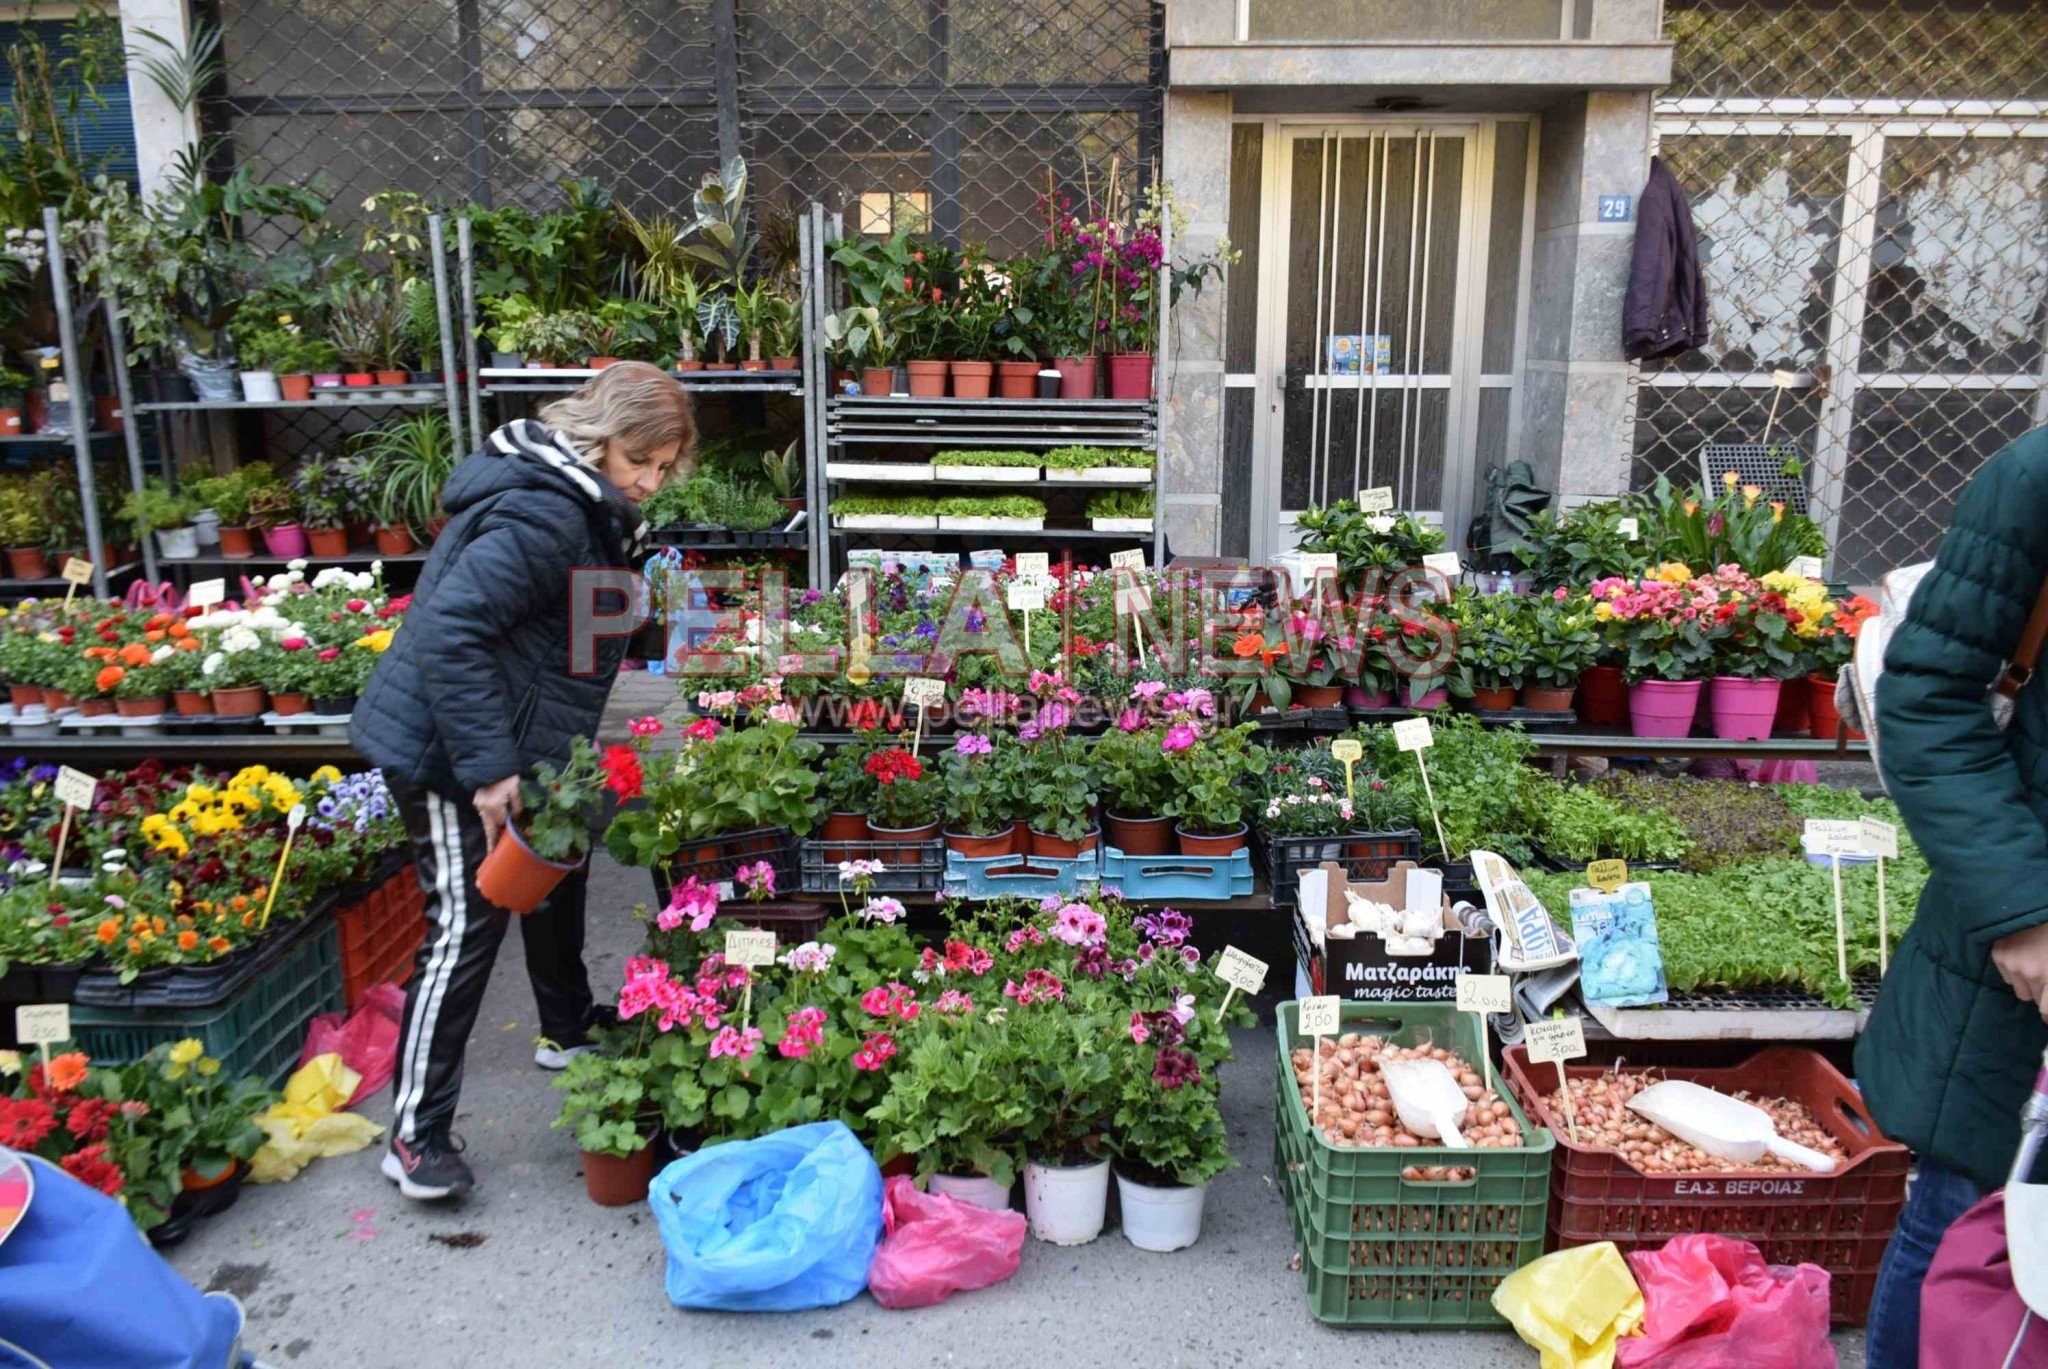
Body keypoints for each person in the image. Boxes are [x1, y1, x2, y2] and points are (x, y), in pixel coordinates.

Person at [350, 361, 694, 1200]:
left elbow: (569, 626)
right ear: (598, 434)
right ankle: (415, 1133)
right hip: (450, 747)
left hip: (524, 735)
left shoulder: (584, 503)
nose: (648, 480)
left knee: (553, 871)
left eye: (662, 466)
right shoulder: (544, 511)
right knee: (466, 920)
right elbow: (450, 631)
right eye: (637, 460)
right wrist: (490, 769)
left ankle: (565, 1027)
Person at [1857, 424, 2048, 1365]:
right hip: (2023, 963)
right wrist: (2022, 910)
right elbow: (1928, 694)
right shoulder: (2037, 476)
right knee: (1969, 1224)